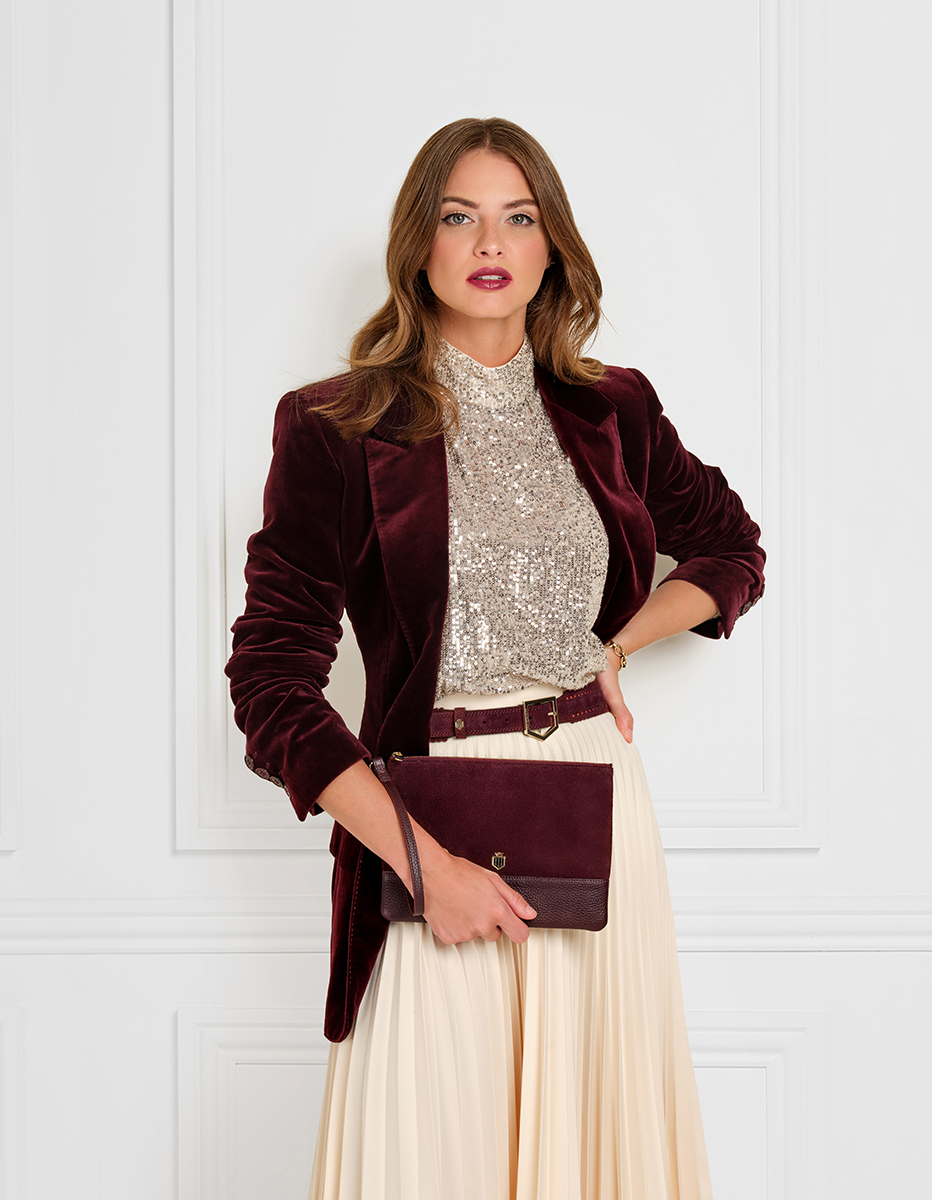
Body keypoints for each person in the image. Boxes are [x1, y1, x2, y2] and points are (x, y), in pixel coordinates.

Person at [226, 117, 765, 1198]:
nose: (491, 240)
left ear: (551, 245)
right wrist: (423, 866)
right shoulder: (336, 425)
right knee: (432, 1145)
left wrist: (619, 639)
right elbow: (271, 683)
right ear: (417, 246)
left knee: (595, 1139)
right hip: (431, 811)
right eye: (458, 214)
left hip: (594, 806)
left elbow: (730, 549)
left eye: (519, 217)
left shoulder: (612, 408)